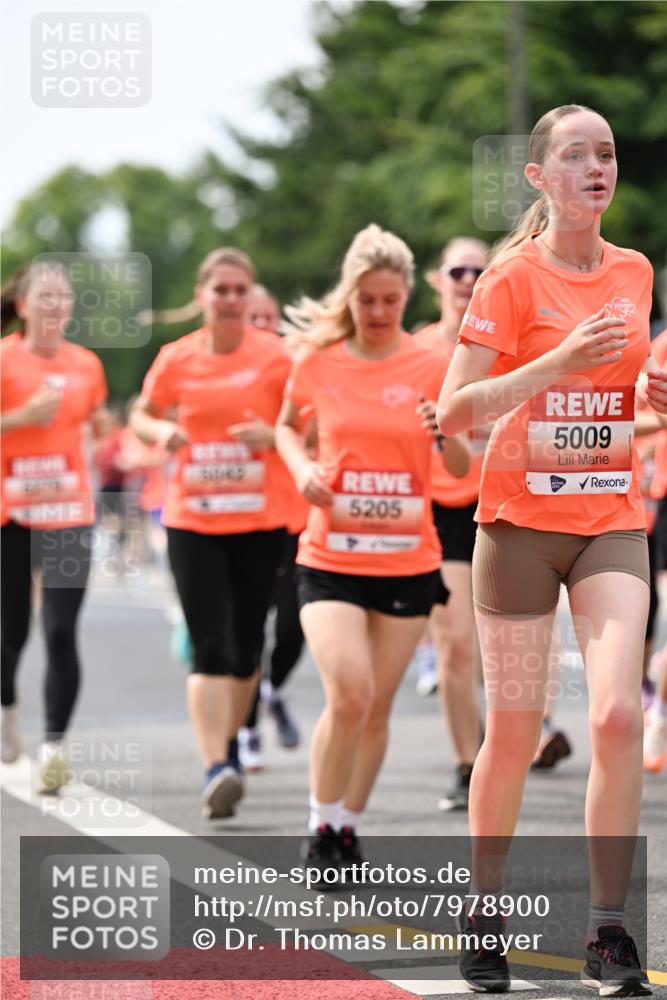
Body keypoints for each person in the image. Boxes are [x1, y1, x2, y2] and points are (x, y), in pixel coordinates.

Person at [437, 105, 661, 995]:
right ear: (538, 176)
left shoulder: (635, 270)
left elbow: (619, 400)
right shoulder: (508, 280)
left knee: (615, 716)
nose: (595, 167)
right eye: (575, 155)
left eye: (605, 154)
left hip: (609, 515)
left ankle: (608, 931)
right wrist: (557, 362)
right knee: (518, 730)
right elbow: (457, 411)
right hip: (518, 527)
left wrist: (653, 401)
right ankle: (482, 905)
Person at [276, 223, 471, 878]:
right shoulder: (318, 361)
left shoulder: (431, 364)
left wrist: (443, 433)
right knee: (350, 693)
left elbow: (459, 458)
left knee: (378, 707)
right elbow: (285, 426)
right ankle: (318, 819)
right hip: (329, 558)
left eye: (390, 300)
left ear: (406, 293)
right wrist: (300, 465)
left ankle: (345, 828)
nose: (380, 313)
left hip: (407, 561)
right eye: (367, 301)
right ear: (349, 296)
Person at [130, 248, 290, 819]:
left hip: (258, 521)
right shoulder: (178, 358)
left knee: (248, 648)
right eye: (219, 289)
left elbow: (310, 426)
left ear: (250, 297)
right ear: (201, 295)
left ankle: (228, 749)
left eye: (239, 290)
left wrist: (273, 436)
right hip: (192, 520)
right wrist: (163, 430)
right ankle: (215, 765)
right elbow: (141, 413)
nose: (229, 299)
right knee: (209, 644)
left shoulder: (276, 358)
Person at [0, 263, 109, 790]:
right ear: (22, 306)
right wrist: (18, 418)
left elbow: (93, 420)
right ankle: (6, 706)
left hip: (68, 511)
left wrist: (107, 428)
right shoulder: (2, 359)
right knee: (10, 633)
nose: (54, 306)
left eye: (62, 297)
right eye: (44, 297)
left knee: (61, 628)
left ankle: (54, 748)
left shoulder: (86, 365)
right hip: (10, 513)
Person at [415, 237, 489, 810]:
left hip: (510, 505)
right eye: (457, 270)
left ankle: (512, 740)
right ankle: (469, 765)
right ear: (437, 280)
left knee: (509, 651)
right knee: (457, 645)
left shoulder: (515, 346)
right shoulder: (414, 353)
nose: (468, 279)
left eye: (479, 270)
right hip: (443, 513)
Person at [238, 283, 307, 769]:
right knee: (247, 629)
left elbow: (328, 427)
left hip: (297, 516)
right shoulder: (229, 372)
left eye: (269, 318)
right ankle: (245, 731)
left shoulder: (300, 366)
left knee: (293, 627)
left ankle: (272, 689)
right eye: (253, 318)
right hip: (244, 518)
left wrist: (278, 436)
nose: (262, 327)